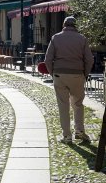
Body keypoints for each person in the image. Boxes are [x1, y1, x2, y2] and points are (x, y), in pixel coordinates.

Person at [44, 16, 94, 144]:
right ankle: (79, 131)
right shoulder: (82, 39)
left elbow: (48, 60)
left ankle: (66, 136)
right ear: (75, 25)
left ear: (64, 25)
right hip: (77, 75)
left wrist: (52, 73)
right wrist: (85, 74)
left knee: (63, 105)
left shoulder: (56, 38)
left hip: (59, 75)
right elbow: (89, 59)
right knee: (77, 104)